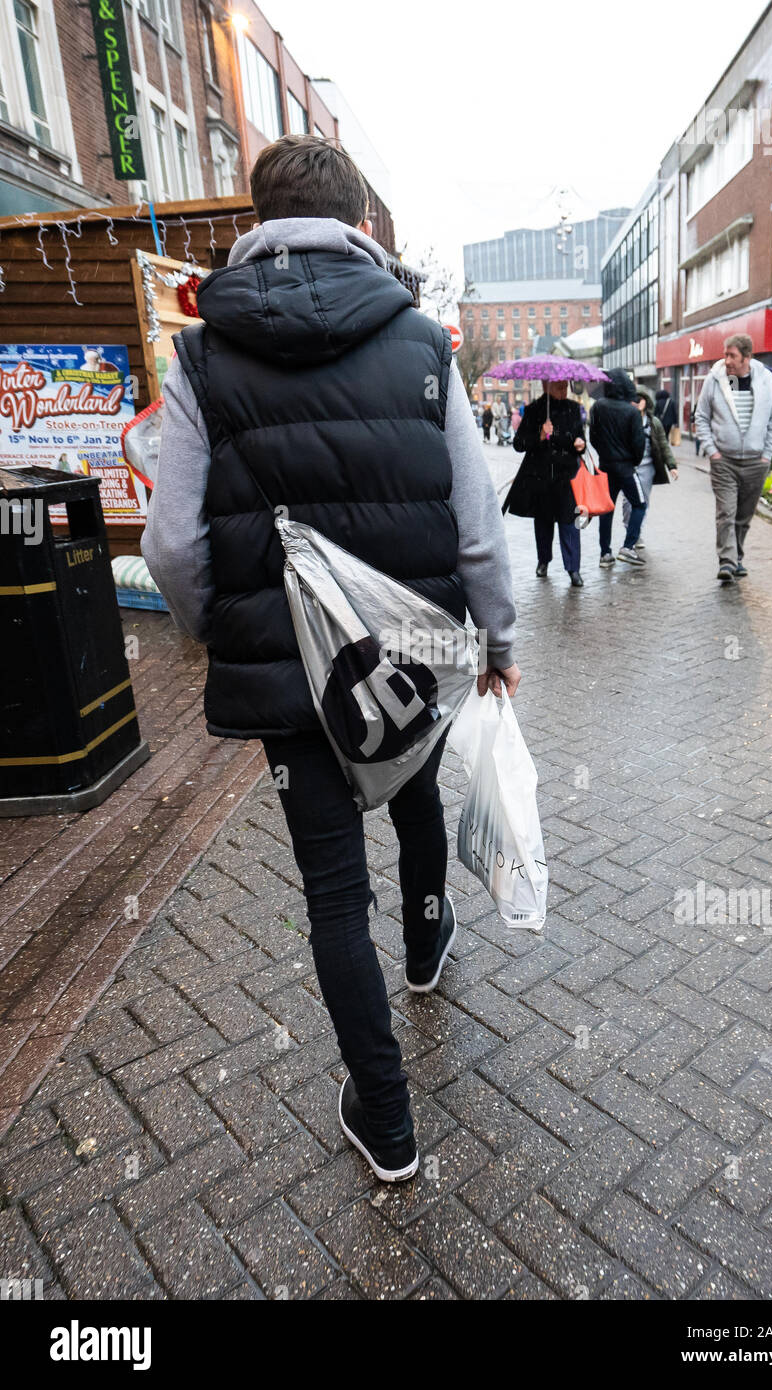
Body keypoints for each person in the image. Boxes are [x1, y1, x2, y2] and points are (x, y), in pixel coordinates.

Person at [142, 134, 519, 1184]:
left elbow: (172, 543)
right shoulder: (420, 342)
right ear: (359, 222)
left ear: (250, 221)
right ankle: (429, 947)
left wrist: (217, 623)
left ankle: (386, 1119)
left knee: (328, 891)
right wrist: (495, 642)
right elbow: (476, 524)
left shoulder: (202, 353)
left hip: (290, 670)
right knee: (413, 797)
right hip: (413, 642)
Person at [695, 333, 772, 584]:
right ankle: (727, 562)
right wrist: (713, 451)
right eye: (725, 354)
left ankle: (738, 558)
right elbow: (701, 416)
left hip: (756, 462)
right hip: (725, 461)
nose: (727, 360)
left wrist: (767, 454)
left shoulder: (767, 381)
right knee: (726, 512)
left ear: (747, 357)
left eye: (732, 355)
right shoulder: (717, 380)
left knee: (744, 516)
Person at [504, 380, 588, 587]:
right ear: (545, 385)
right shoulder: (534, 410)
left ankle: (573, 569)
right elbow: (518, 444)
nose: (563, 389)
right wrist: (540, 435)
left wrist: (580, 444)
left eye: (565, 386)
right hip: (541, 478)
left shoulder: (573, 408)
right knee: (543, 524)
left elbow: (580, 437)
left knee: (570, 524)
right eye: (558, 386)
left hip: (567, 478)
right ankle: (543, 561)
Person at [589, 368, 647, 567]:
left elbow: (593, 438)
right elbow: (639, 443)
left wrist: (604, 454)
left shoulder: (598, 407)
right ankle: (628, 546)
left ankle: (605, 553)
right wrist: (633, 461)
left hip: (605, 467)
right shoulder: (631, 411)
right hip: (625, 468)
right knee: (640, 504)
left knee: (606, 510)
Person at [623, 385, 678, 548]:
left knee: (643, 501)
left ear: (646, 402)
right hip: (629, 467)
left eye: (640, 399)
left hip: (647, 467)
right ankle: (629, 529)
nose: (637, 402)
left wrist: (672, 465)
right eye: (634, 399)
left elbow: (663, 444)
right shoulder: (625, 420)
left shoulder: (654, 422)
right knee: (627, 503)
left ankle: (636, 533)